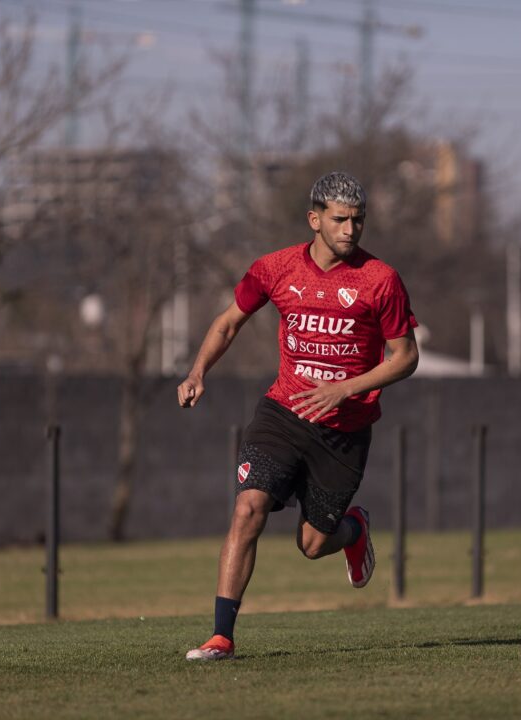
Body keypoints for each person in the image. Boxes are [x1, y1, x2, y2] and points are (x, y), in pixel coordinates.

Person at [177, 171, 419, 661]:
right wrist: (198, 371)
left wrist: (344, 390)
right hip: (283, 413)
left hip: (344, 431)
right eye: (340, 219)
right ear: (314, 219)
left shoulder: (381, 281)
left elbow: (405, 356)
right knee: (248, 509)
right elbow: (228, 322)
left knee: (311, 544)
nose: (351, 230)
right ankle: (221, 636)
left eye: (358, 220)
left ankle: (353, 529)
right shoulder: (275, 268)